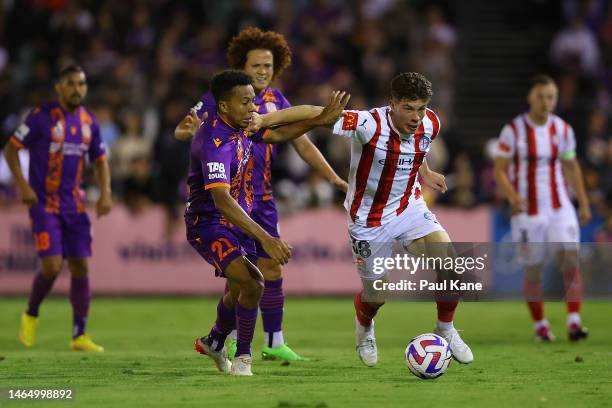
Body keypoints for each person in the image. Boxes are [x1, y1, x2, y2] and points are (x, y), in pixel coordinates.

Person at [176, 27, 347, 362]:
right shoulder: (220, 104)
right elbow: (188, 130)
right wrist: (187, 133)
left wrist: (331, 170)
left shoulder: (256, 113)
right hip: (219, 206)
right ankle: (242, 351)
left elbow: (293, 136)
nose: (263, 71)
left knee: (257, 277)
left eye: (268, 65)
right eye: (256, 65)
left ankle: (255, 340)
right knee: (249, 279)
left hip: (257, 198)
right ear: (243, 66)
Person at [331, 72, 474, 367]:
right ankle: (365, 328)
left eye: (421, 108)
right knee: (377, 296)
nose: (416, 116)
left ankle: (445, 330)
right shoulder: (367, 123)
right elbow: (315, 116)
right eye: (408, 108)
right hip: (369, 219)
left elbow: (416, 151)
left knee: (452, 265)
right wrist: (269, 120)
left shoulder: (431, 123)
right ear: (392, 104)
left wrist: (426, 172)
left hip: (409, 207)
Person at [4, 64, 112, 352]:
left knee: (80, 265)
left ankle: (79, 335)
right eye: (71, 83)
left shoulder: (90, 121)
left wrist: (105, 194)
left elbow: (100, 161)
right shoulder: (41, 118)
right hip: (44, 204)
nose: (77, 89)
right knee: (52, 266)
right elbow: (11, 149)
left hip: (74, 206)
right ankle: (31, 312)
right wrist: (23, 186)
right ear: (59, 87)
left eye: (81, 84)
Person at [494, 74, 591, 342]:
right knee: (534, 270)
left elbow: (571, 166)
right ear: (530, 98)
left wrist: (582, 201)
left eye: (551, 97)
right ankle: (541, 326)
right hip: (527, 211)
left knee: (570, 261)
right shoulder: (513, 131)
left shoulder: (563, 130)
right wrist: (512, 196)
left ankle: (574, 322)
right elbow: (499, 170)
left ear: (555, 99)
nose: (546, 102)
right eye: (541, 96)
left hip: (560, 207)